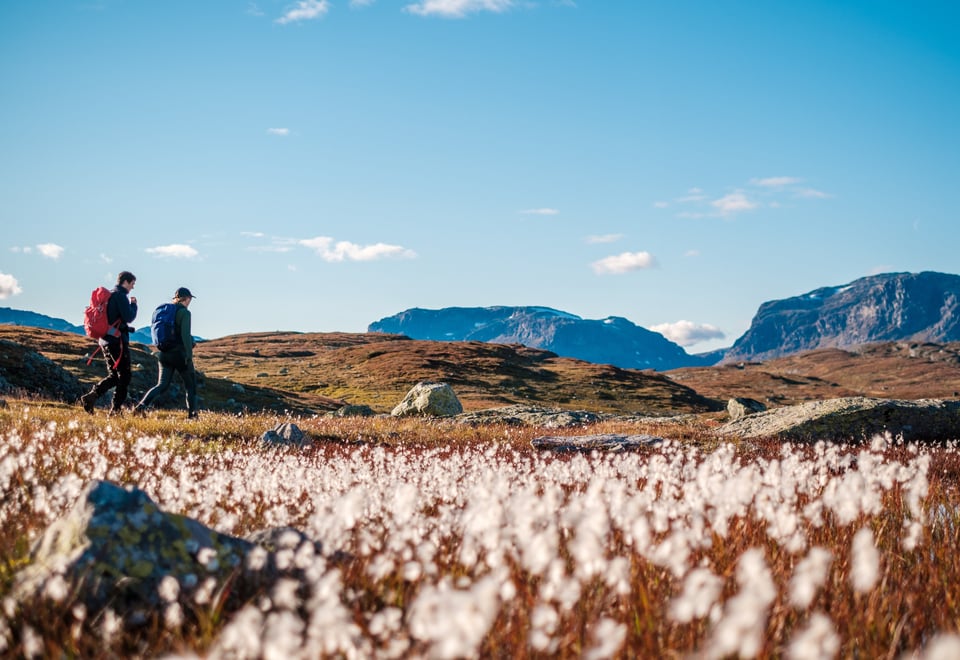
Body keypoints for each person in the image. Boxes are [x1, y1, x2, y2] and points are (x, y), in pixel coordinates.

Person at [133, 287, 199, 418]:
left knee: (162, 385)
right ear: (187, 299)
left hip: (164, 354)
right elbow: (185, 335)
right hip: (179, 354)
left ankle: (140, 406)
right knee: (191, 386)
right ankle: (192, 416)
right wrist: (189, 356)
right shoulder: (185, 313)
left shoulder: (167, 311)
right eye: (190, 299)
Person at [80, 271, 138, 415]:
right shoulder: (121, 296)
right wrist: (134, 305)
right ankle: (115, 410)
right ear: (125, 282)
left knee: (114, 376)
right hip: (117, 342)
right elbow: (129, 316)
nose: (132, 287)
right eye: (132, 284)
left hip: (105, 341)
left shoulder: (110, 295)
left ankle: (91, 397)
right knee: (125, 376)